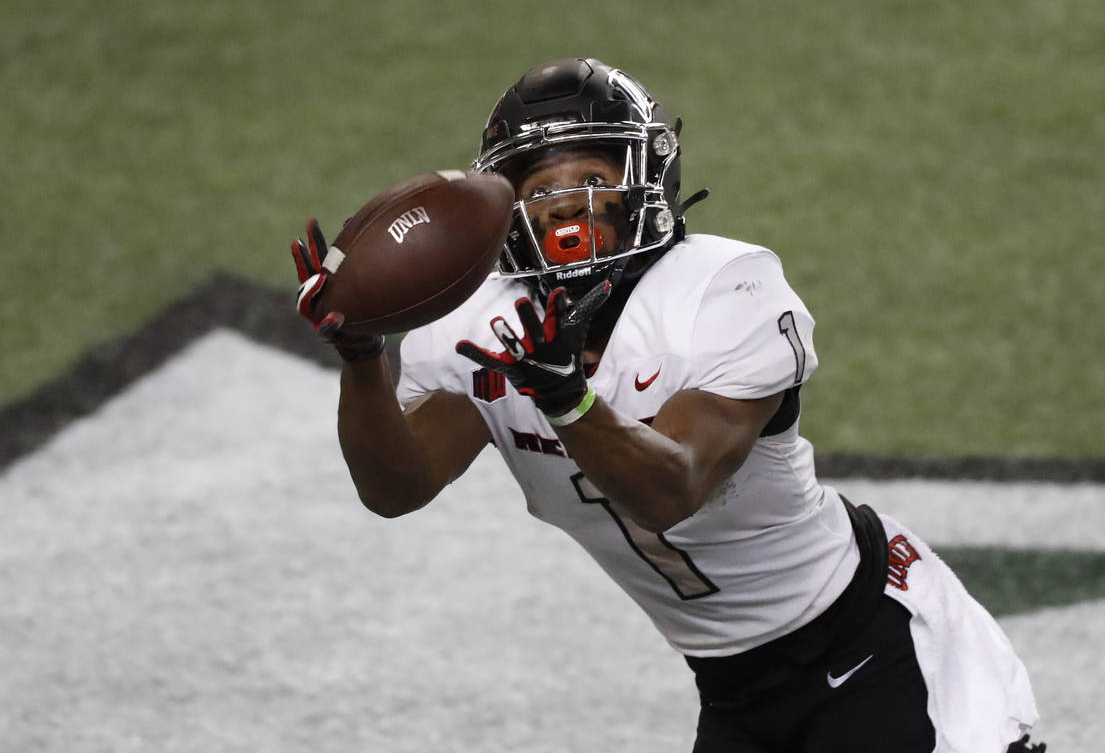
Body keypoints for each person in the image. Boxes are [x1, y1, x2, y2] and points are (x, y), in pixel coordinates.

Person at [291, 58, 1043, 752]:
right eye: (536, 187)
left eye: (590, 173)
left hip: (867, 645)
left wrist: (563, 395)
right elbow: (396, 489)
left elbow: (674, 491)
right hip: (733, 688)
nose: (564, 206)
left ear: (646, 177)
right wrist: (362, 358)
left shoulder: (727, 288)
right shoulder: (474, 323)